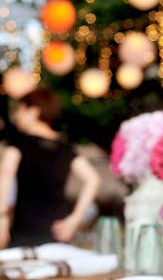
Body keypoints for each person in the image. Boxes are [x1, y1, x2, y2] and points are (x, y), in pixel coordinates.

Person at [0, 86, 101, 248]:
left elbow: (6, 174)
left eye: (21, 110)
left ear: (33, 112)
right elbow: (93, 179)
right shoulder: (64, 147)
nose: (17, 115)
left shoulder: (19, 142)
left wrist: (2, 219)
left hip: (25, 232)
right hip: (59, 232)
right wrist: (74, 219)